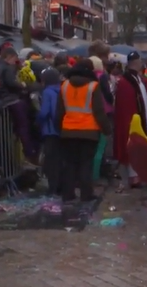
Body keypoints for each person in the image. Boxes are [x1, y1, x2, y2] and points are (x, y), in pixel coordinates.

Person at [55, 59, 112, 202]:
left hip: (68, 131)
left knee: (69, 164)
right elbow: (99, 111)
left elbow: (60, 111)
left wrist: (59, 128)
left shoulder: (64, 85)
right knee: (86, 164)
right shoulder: (93, 86)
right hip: (89, 132)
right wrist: (107, 129)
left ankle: (68, 194)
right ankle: (86, 195)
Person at [113, 51, 147, 189]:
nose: (142, 64)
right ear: (136, 62)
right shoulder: (126, 82)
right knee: (133, 146)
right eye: (140, 61)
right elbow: (126, 105)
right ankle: (133, 177)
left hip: (142, 117)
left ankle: (140, 174)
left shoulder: (137, 79)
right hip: (133, 120)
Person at [0, 47, 35, 160]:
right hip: (11, 99)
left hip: (3, 99)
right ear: (9, 57)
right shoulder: (8, 68)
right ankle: (28, 151)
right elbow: (11, 82)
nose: (15, 62)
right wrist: (22, 85)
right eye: (14, 59)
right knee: (23, 125)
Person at [37, 68, 62, 196]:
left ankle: (53, 187)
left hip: (50, 130)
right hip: (61, 129)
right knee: (60, 159)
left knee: (51, 161)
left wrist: (38, 120)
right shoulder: (62, 89)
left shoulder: (47, 92)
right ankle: (61, 186)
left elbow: (45, 111)